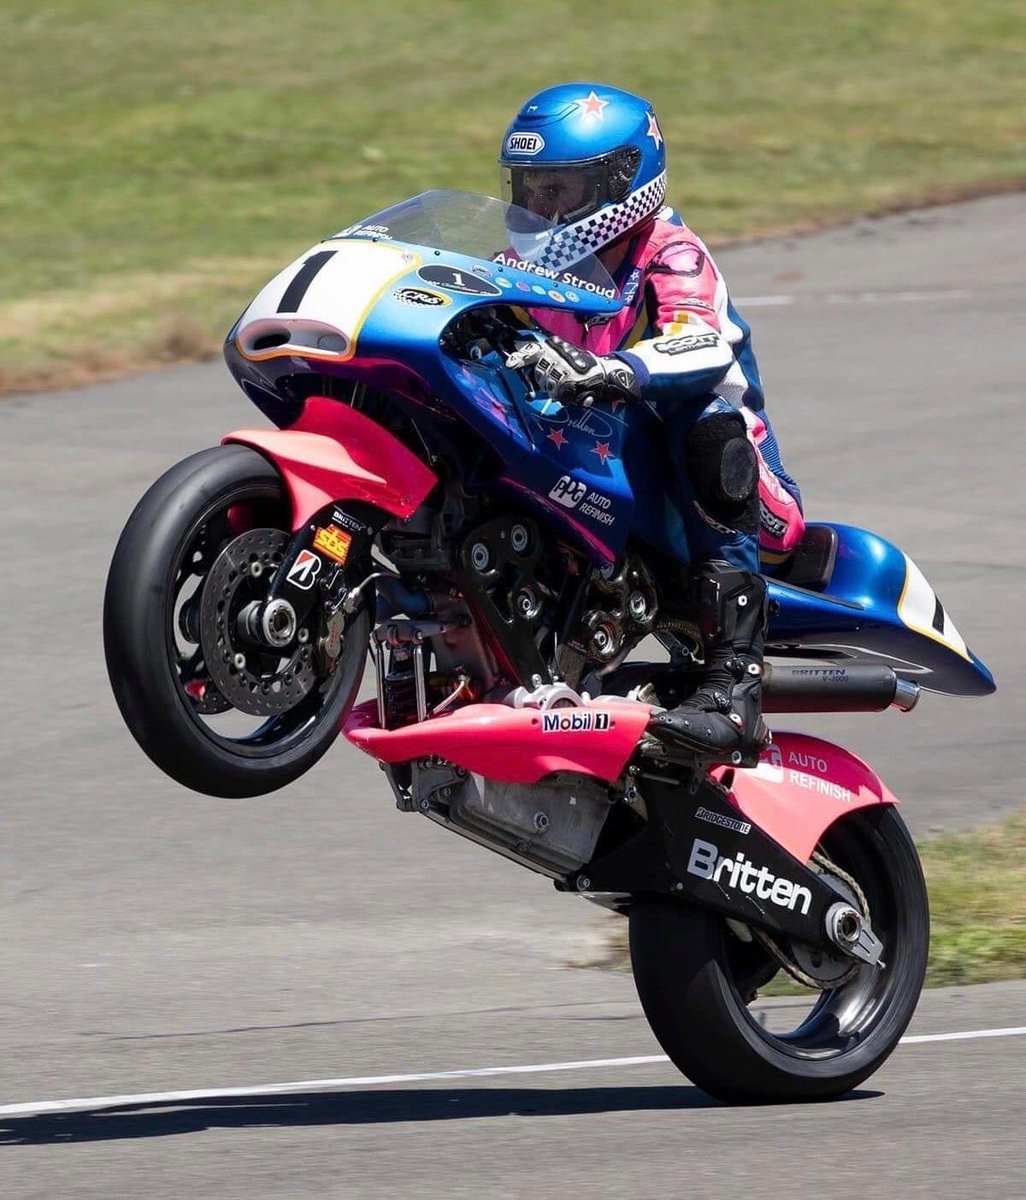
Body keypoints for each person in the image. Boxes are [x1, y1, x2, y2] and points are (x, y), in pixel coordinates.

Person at [497, 82, 805, 767]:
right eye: (529, 189)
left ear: (619, 183)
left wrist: (617, 373)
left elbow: (701, 343)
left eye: (558, 190)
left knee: (698, 418)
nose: (539, 208)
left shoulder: (671, 251)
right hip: (603, 476)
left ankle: (734, 688)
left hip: (739, 493)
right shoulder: (526, 267)